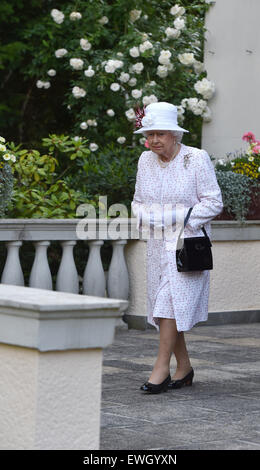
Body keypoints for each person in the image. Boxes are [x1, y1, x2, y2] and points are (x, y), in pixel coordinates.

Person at [131, 101, 223, 394]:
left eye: (161, 133)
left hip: (187, 243)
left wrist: (174, 216)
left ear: (175, 134)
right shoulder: (145, 160)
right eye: (150, 134)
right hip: (158, 245)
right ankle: (184, 368)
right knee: (168, 307)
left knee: (168, 304)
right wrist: (144, 215)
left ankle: (161, 368)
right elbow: (137, 201)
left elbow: (214, 202)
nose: (154, 140)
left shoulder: (196, 158)